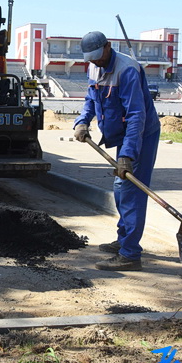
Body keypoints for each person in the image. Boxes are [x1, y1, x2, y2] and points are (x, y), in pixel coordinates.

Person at [73, 31, 161, 271]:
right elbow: (91, 98)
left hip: (141, 134)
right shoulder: (93, 67)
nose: (95, 62)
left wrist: (127, 155)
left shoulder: (128, 69)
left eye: (98, 57)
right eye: (90, 58)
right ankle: (124, 240)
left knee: (131, 190)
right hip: (121, 135)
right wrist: (82, 121)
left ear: (108, 47)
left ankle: (130, 254)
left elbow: (136, 115)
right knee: (121, 189)